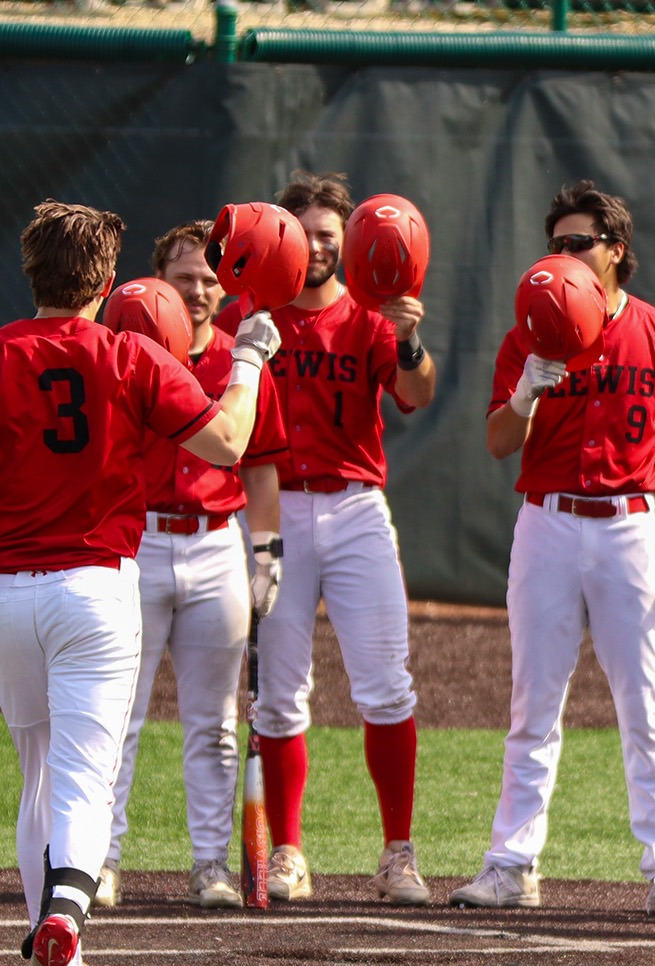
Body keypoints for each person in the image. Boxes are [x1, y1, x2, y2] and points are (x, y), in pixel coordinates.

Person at [0, 201, 277, 966]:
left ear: (31, 274)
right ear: (106, 282)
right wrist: (246, 358)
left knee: (38, 773)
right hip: (97, 588)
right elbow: (227, 445)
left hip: (9, 597)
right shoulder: (130, 352)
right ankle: (61, 924)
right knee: (84, 778)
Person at [451, 181, 655, 913]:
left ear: (617, 251)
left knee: (642, 701)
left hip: (628, 522)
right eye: (556, 244)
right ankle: (511, 863)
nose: (565, 255)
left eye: (580, 243)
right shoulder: (529, 332)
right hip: (549, 520)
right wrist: (525, 390)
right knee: (535, 699)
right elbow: (498, 443)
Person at [215, 171, 438, 905]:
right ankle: (287, 851)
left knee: (385, 685)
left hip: (354, 507)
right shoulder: (253, 317)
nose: (315, 246)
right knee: (278, 696)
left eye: (327, 235)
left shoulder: (373, 318)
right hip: (274, 512)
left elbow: (416, 394)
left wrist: (409, 341)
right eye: (303, 231)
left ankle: (397, 853)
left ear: (349, 244)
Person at [95, 223, 287, 910]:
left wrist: (265, 552)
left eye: (211, 279)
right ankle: (101, 861)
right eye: (186, 278)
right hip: (139, 539)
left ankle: (211, 866)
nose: (201, 291)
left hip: (214, 542)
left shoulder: (244, 358)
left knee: (213, 722)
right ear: (158, 286)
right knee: (120, 715)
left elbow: (261, 466)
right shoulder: (122, 356)